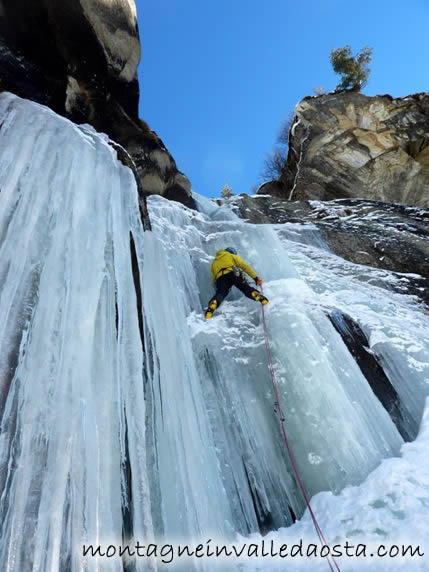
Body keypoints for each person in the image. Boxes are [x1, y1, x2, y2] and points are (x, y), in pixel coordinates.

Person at [205, 247, 269, 319]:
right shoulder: (230, 256)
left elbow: (214, 279)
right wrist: (255, 278)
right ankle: (257, 296)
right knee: (245, 288)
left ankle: (214, 302)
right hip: (233, 273)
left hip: (220, 278)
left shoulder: (214, 263)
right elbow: (244, 266)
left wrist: (218, 288)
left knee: (221, 293)